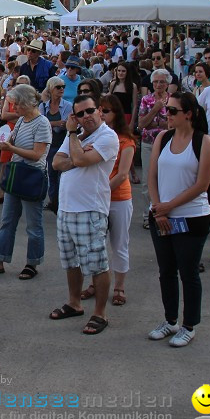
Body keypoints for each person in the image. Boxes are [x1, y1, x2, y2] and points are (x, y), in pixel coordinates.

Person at [146, 91, 210, 348]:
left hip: (191, 218)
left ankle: (189, 325)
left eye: (173, 111)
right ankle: (170, 319)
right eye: (167, 110)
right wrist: (158, 208)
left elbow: (201, 185)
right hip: (162, 217)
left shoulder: (204, 142)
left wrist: (168, 207)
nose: (168, 115)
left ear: (189, 113)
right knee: (166, 271)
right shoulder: (163, 138)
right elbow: (152, 174)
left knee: (188, 272)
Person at [48, 92, 119, 335]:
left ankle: (100, 313)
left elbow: (77, 158)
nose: (87, 116)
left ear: (99, 110)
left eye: (90, 111)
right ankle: (74, 303)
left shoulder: (108, 137)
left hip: (90, 209)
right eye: (81, 114)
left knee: (97, 264)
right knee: (71, 261)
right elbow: (57, 163)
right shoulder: (77, 136)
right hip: (66, 208)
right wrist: (78, 155)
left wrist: (73, 144)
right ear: (75, 117)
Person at [0, 84, 48, 280]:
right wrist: (5, 144)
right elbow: (13, 142)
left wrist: (10, 148)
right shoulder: (22, 121)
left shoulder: (42, 123)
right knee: (7, 220)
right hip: (18, 174)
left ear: (26, 103)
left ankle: (32, 262)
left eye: (16, 104)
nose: (13, 108)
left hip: (32, 176)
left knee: (33, 224)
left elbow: (37, 154)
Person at [79, 95, 134, 307]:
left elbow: (122, 174)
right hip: (99, 197)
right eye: (100, 110)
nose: (102, 114)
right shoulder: (93, 136)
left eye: (107, 111)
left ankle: (119, 286)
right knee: (96, 245)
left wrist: (101, 191)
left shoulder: (125, 140)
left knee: (119, 243)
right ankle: (96, 283)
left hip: (118, 198)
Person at [40, 76, 71, 213]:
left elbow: (67, 125)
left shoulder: (68, 105)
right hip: (48, 144)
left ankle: (61, 201)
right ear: (51, 89)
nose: (62, 89)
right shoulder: (43, 106)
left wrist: (52, 124)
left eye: (63, 86)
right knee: (51, 174)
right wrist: (57, 123)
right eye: (58, 87)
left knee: (62, 174)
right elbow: (41, 124)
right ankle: (54, 201)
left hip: (62, 143)